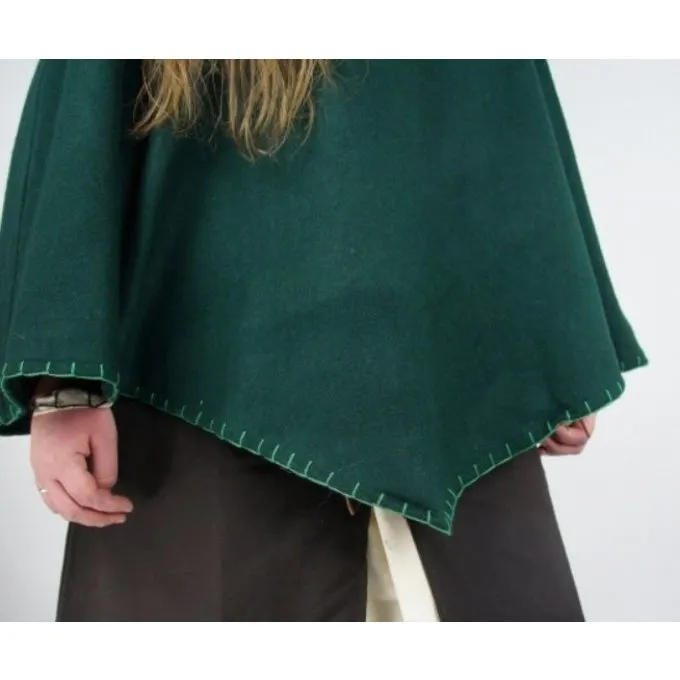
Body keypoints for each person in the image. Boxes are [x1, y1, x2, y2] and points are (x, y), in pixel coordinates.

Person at [0, 59, 647, 621]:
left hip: (449, 384)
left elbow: (507, 115)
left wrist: (552, 349)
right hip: (205, 382)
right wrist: (64, 387)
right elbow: (79, 120)